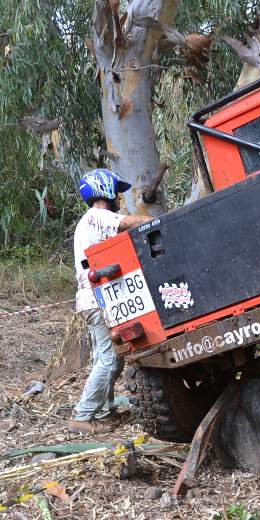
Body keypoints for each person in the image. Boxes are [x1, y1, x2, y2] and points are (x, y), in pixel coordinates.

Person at [69, 169, 154, 435]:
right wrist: (158, 222)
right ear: (104, 190)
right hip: (96, 300)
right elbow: (130, 223)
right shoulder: (97, 216)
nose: (118, 196)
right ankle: (82, 416)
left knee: (109, 358)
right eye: (116, 191)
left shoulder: (90, 221)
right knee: (108, 359)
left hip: (91, 299)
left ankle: (104, 411)